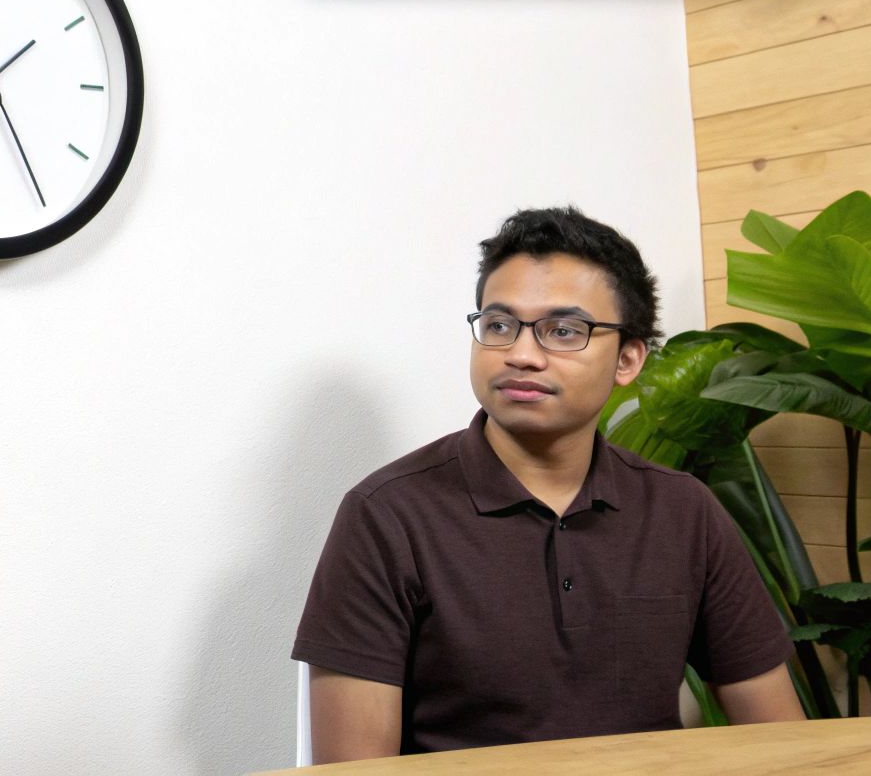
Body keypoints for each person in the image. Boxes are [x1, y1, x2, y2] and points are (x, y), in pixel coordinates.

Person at [293, 207, 803, 761]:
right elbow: (354, 769)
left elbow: (778, 739)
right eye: (499, 325)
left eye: (564, 331)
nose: (521, 354)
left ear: (629, 358)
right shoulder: (387, 516)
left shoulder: (683, 510)